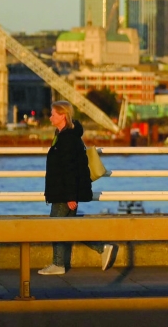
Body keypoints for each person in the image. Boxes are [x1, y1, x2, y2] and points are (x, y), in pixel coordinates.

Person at [37, 101, 118, 275]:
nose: (50, 117)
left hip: (64, 192)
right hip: (63, 190)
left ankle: (58, 265)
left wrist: (71, 196)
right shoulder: (62, 135)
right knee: (71, 228)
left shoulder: (67, 138)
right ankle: (102, 248)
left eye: (53, 114)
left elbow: (70, 169)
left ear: (63, 116)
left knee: (55, 227)